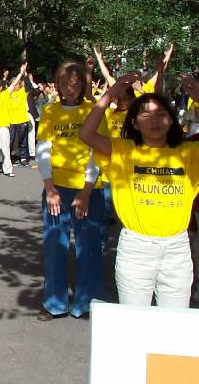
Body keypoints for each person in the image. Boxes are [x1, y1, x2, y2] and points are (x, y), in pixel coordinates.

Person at [79, 72, 198, 307]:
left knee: (173, 323)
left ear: (171, 120)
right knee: (134, 322)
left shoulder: (189, 153)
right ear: (134, 122)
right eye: (146, 114)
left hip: (177, 251)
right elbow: (86, 134)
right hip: (136, 250)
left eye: (161, 114)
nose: (155, 120)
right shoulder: (123, 151)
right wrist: (111, 93)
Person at [36, 61, 106, 321]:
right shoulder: (50, 111)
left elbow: (97, 153)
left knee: (89, 247)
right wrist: (49, 187)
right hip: (57, 188)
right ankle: (55, 302)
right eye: (64, 83)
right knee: (55, 245)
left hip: (89, 188)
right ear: (57, 85)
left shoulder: (94, 111)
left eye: (75, 83)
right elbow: (43, 149)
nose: (69, 88)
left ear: (83, 84)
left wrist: (86, 190)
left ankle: (87, 303)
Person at [0, 64, 26, 178]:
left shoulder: (5, 94)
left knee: (5, 149)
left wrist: (21, 73)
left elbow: (14, 84)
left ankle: (7, 169)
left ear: (0, 88)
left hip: (3, 126)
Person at [9, 65, 31, 166]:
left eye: (18, 84)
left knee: (23, 140)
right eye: (15, 84)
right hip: (11, 121)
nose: (17, 86)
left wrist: (25, 74)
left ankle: (23, 157)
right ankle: (9, 158)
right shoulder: (8, 93)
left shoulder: (23, 91)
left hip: (22, 120)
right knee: (10, 140)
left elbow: (29, 86)